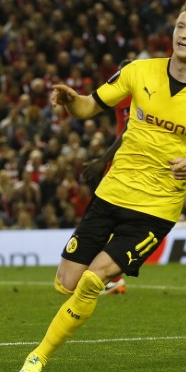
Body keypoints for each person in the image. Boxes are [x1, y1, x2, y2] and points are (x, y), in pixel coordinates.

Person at [19, 0, 186, 372]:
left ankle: (38, 356)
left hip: (156, 208)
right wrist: (72, 101)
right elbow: (89, 107)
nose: (183, 34)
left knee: (91, 280)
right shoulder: (138, 72)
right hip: (112, 192)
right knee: (66, 282)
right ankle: (105, 276)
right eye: (180, 26)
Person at [81, 58, 134, 296]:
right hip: (124, 160)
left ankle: (112, 278)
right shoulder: (122, 95)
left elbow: (130, 131)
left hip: (125, 162)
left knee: (108, 218)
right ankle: (112, 276)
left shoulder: (134, 97)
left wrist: (104, 159)